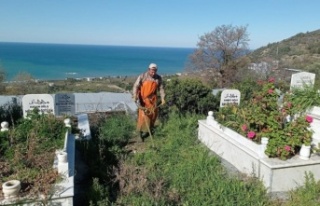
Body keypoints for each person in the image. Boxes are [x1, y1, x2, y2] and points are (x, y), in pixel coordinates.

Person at [132, 63, 165, 141]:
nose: (153, 73)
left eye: (155, 71)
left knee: (153, 115)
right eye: (152, 71)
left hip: (153, 100)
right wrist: (135, 96)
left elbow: (161, 89)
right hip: (143, 100)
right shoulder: (142, 76)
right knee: (142, 117)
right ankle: (139, 134)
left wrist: (163, 98)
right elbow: (136, 86)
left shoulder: (158, 78)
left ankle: (149, 131)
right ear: (149, 69)